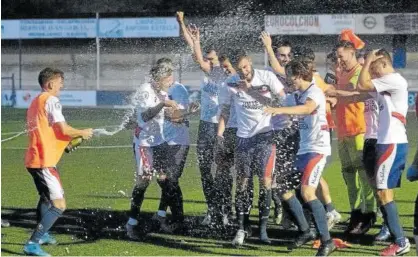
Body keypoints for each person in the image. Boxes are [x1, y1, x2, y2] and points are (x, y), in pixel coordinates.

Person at [265, 60, 335, 256]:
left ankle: (327, 241)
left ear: (299, 76)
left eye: (290, 77)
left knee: (307, 192)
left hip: (317, 150)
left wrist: (279, 110)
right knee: (282, 187)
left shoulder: (314, 93)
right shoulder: (297, 95)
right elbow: (278, 102)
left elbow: (306, 109)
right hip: (303, 151)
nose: (288, 80)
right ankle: (306, 230)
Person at [23, 68, 93, 256]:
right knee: (59, 205)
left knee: (45, 198)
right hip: (44, 161)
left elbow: (49, 131)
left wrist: (66, 143)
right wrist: (82, 132)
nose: (62, 85)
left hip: (35, 158)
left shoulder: (36, 101)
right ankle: (32, 243)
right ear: (50, 84)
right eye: (60, 81)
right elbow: (63, 128)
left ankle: (43, 235)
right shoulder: (52, 100)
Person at [220, 49, 285, 246]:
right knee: (242, 183)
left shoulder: (267, 77)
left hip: (265, 136)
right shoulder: (230, 83)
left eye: (246, 67)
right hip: (243, 139)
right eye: (240, 70)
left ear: (251, 62)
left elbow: (282, 101)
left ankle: (263, 231)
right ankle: (242, 228)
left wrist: (251, 90)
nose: (243, 72)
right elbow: (224, 110)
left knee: (265, 182)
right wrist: (219, 135)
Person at [177, 12, 230, 224]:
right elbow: (192, 48)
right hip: (205, 126)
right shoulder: (206, 71)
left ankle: (225, 210)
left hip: (223, 126)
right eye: (206, 59)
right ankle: (212, 209)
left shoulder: (224, 73)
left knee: (223, 170)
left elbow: (198, 56)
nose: (207, 63)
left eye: (212, 60)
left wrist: (197, 41)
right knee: (205, 169)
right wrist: (182, 23)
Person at [357, 49, 410, 256]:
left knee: (383, 192)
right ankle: (396, 237)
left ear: (385, 64)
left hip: (392, 142)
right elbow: (359, 91)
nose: (372, 70)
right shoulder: (386, 84)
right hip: (387, 142)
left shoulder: (394, 80)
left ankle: (400, 240)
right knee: (382, 193)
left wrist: (367, 59)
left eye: (374, 67)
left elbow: (362, 84)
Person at [125, 61, 180, 239]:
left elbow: (168, 116)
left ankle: (160, 217)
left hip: (159, 142)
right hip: (145, 144)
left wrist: (185, 113)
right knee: (144, 181)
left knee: (167, 180)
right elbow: (146, 115)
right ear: (160, 78)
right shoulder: (146, 90)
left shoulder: (163, 92)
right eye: (169, 77)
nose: (172, 81)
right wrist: (164, 104)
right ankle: (131, 223)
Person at [335, 40, 377, 234]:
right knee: (348, 175)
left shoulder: (360, 71)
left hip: (358, 130)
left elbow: (352, 92)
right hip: (342, 132)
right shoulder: (340, 72)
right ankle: (356, 213)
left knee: (364, 174)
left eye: (341, 56)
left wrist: (331, 92)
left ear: (352, 53)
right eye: (337, 57)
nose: (339, 60)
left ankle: (370, 213)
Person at [151, 58, 196, 233]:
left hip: (178, 141)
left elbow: (179, 116)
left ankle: (175, 219)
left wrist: (163, 113)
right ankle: (166, 214)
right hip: (160, 140)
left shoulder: (178, 89)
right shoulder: (155, 89)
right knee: (163, 179)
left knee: (171, 180)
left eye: (165, 73)